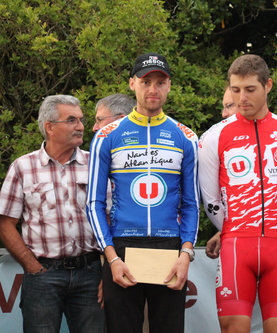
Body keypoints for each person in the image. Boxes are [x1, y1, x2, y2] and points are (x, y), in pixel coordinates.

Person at [86, 53, 199, 333]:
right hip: (123, 248)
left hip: (169, 248)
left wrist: (186, 254)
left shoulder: (186, 137)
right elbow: (94, 203)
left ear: (169, 86)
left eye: (160, 82)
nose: (153, 89)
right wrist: (111, 256)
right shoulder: (106, 136)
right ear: (132, 83)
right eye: (146, 81)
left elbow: (191, 203)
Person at [198, 54, 277, 333]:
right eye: (235, 90)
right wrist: (232, 229)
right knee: (233, 329)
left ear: (268, 85)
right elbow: (210, 200)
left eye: (250, 89)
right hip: (236, 243)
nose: (242, 98)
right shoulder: (213, 136)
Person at [0, 95, 104, 333]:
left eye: (80, 119)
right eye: (71, 120)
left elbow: (111, 219)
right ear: (49, 127)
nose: (80, 126)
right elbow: (5, 223)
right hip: (43, 275)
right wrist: (32, 266)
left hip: (90, 272)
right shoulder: (23, 167)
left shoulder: (96, 164)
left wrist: (107, 271)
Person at [205, 87, 277, 289]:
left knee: (276, 320)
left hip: (275, 256)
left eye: (229, 106)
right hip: (242, 255)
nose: (223, 113)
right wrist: (224, 233)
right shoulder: (219, 140)